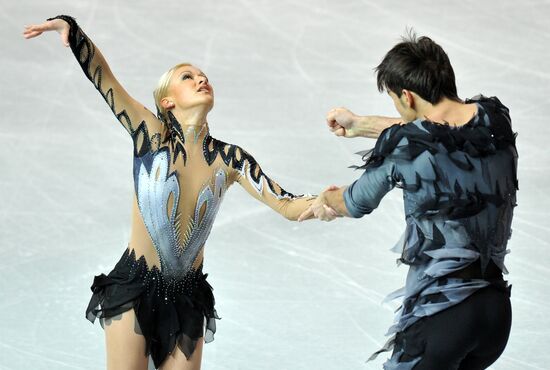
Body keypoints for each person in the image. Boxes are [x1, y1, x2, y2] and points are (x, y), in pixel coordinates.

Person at [23, 15, 317, 370]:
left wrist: (335, 201)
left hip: (188, 298)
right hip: (133, 288)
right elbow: (106, 80)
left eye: (202, 76)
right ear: (167, 102)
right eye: (188, 77)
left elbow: (286, 205)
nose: (201, 79)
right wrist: (71, 28)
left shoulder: (230, 159)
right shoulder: (151, 136)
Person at [300, 33, 518, 370]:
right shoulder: (495, 120)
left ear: (407, 96)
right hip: (495, 315)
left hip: (443, 316)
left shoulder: (408, 145)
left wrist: (325, 199)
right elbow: (440, 131)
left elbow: (355, 201)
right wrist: (362, 125)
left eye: (395, 101)